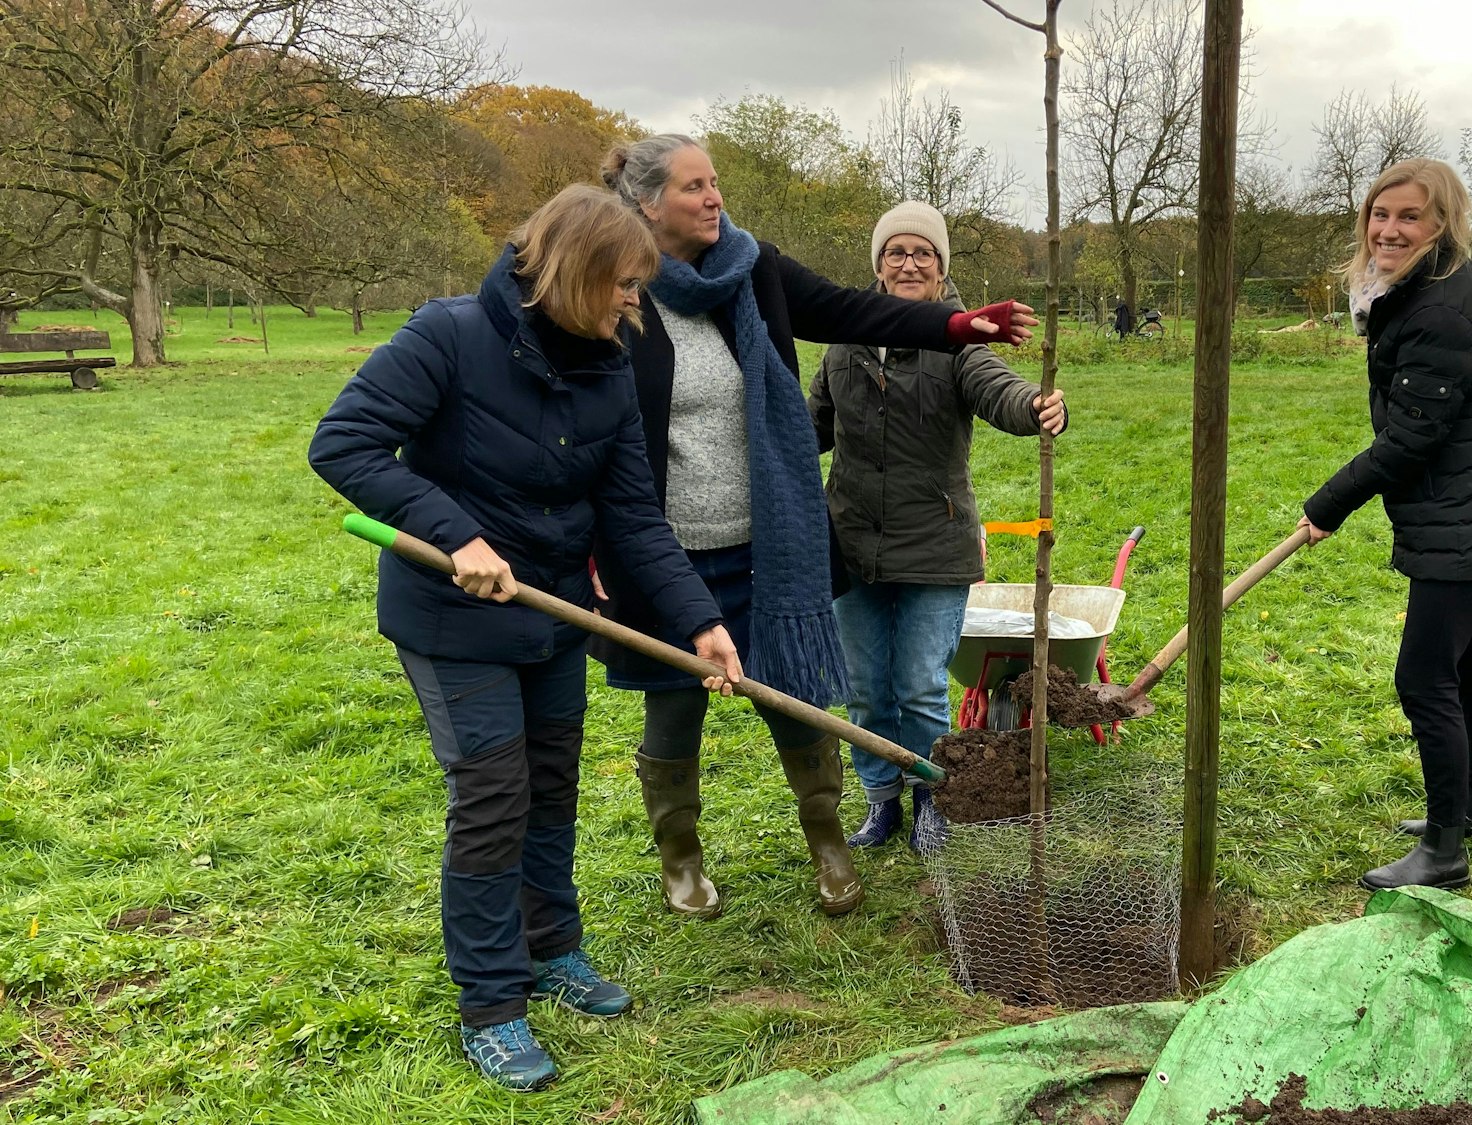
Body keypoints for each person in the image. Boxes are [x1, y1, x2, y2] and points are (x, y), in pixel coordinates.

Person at [308, 185, 743, 1092]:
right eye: (624, 283)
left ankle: (552, 948)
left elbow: (633, 515)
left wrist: (699, 618)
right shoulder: (448, 335)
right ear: (577, 272)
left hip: (552, 613)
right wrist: (454, 535)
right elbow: (342, 443)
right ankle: (491, 1002)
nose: (635, 301)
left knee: (551, 786)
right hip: (453, 617)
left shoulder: (610, 365)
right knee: (494, 797)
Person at [592, 135, 1036, 918]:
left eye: (715, 182)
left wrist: (957, 325)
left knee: (794, 694)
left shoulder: (751, 268)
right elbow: (588, 417)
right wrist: (593, 538)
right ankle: (681, 857)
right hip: (664, 546)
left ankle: (829, 840)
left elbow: (848, 308)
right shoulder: (617, 289)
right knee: (674, 703)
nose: (714, 198)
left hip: (766, 540)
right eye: (694, 187)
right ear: (647, 204)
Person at [807, 201, 1068, 851]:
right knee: (866, 690)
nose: (909, 263)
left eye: (923, 252)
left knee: (920, 684)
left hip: (935, 542)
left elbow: (995, 386)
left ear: (941, 266)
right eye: (896, 251)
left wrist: (1035, 405)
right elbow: (813, 427)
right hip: (852, 542)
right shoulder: (846, 337)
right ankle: (881, 801)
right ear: (878, 264)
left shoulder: (959, 337)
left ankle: (931, 797)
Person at [1297, 158, 1472, 891]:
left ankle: (1445, 850)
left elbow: (1410, 439)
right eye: (1380, 214)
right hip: (1463, 500)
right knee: (1471, 665)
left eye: (1410, 217)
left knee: (1424, 677)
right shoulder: (1449, 285)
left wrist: (1327, 504)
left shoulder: (1439, 309)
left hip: (1459, 511)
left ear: (1442, 224)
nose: (1389, 230)